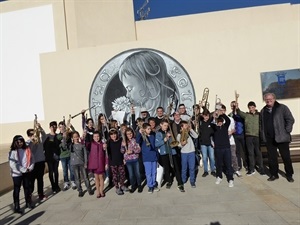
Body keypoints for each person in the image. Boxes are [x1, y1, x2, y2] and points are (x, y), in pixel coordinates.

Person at [119, 50, 176, 117]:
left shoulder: (173, 106)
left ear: (149, 82)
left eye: (129, 88)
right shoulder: (133, 114)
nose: (127, 95)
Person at [260, 93, 295, 182]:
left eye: (270, 99)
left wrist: (287, 131)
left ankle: (289, 174)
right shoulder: (263, 111)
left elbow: (290, 119)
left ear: (274, 99)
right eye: (266, 99)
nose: (268, 101)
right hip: (269, 138)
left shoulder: (282, 108)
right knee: (272, 158)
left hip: (282, 137)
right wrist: (263, 134)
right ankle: (274, 174)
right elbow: (261, 124)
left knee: (286, 157)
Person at [236, 101, 265, 176]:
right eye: (249, 108)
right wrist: (237, 107)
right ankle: (251, 169)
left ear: (255, 107)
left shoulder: (259, 115)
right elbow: (239, 112)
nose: (251, 109)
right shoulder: (246, 115)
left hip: (257, 136)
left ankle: (261, 168)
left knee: (258, 153)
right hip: (248, 136)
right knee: (250, 153)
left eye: (252, 107)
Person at [155, 119, 185, 192]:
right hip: (164, 153)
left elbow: (173, 142)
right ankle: (169, 181)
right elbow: (156, 144)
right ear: (161, 125)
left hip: (172, 152)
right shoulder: (158, 133)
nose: (166, 127)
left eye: (167, 126)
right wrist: (164, 140)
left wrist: (171, 139)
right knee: (167, 168)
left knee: (176, 167)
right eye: (165, 125)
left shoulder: (169, 132)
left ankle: (180, 182)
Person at [9, 135, 35, 213]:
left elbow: (32, 159)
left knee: (27, 187)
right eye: (18, 142)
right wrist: (22, 170)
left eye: (21, 142)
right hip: (17, 174)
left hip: (27, 172)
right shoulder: (12, 152)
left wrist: (30, 167)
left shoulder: (27, 149)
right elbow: (13, 164)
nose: (20, 143)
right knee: (17, 189)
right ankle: (17, 206)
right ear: (15, 143)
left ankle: (28, 202)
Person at [65, 131, 94, 197]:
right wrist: (64, 135)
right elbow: (64, 145)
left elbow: (85, 155)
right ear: (72, 138)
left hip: (82, 163)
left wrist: (86, 163)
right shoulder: (71, 146)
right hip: (74, 164)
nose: (76, 138)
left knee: (86, 177)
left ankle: (89, 189)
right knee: (77, 178)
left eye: (77, 136)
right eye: (74, 137)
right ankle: (80, 190)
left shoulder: (82, 145)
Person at [211, 109, 234, 188]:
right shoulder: (214, 128)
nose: (220, 122)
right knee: (218, 164)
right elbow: (210, 123)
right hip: (218, 148)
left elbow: (228, 120)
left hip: (226, 148)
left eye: (221, 121)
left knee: (228, 164)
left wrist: (222, 114)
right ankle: (219, 176)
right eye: (218, 121)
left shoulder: (225, 126)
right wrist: (213, 116)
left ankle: (230, 179)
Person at [136, 123, 159, 193]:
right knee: (148, 173)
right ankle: (150, 185)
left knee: (154, 172)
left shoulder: (152, 135)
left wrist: (157, 156)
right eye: (148, 129)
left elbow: (155, 146)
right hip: (146, 157)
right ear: (144, 129)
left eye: (150, 129)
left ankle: (154, 184)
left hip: (153, 156)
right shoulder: (143, 137)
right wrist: (140, 133)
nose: (149, 130)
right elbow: (137, 140)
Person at [26, 126, 47, 201]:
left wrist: (40, 128)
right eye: (32, 134)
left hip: (41, 162)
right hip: (33, 164)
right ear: (29, 136)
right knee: (31, 181)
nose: (34, 135)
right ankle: (29, 194)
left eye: (34, 134)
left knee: (40, 179)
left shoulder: (40, 140)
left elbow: (44, 135)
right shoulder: (28, 143)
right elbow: (27, 150)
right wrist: (32, 141)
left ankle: (41, 194)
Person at [107, 128, 128, 195]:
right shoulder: (109, 142)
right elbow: (107, 152)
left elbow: (122, 151)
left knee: (122, 174)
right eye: (112, 135)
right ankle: (117, 187)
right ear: (110, 136)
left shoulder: (120, 140)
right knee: (115, 176)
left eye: (115, 134)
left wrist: (123, 146)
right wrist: (104, 147)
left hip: (120, 160)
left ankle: (122, 185)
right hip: (113, 161)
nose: (114, 136)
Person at [177, 120, 198, 188]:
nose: (187, 126)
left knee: (192, 167)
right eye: (185, 125)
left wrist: (191, 129)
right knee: (184, 168)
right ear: (181, 127)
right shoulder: (179, 135)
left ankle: (192, 181)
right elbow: (178, 144)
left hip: (191, 151)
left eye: (187, 125)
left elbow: (196, 136)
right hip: (184, 153)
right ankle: (183, 180)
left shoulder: (189, 133)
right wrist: (181, 144)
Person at [121, 127, 142, 193]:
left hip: (135, 159)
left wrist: (133, 151)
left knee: (137, 173)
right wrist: (122, 146)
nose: (129, 135)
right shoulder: (124, 141)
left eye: (130, 133)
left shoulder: (135, 140)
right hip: (128, 160)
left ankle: (139, 185)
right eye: (128, 134)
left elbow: (139, 149)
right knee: (131, 174)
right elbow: (122, 151)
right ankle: (133, 185)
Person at [57, 121, 76, 191]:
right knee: (65, 170)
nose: (62, 128)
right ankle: (66, 182)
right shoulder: (58, 136)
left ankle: (73, 181)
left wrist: (71, 126)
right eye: (60, 127)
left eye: (63, 126)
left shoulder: (69, 133)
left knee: (71, 169)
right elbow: (62, 145)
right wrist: (64, 137)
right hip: (62, 155)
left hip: (70, 154)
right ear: (59, 128)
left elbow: (75, 134)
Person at [87, 131, 107, 198]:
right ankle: (97, 191)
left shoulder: (103, 144)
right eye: (95, 136)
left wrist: (106, 163)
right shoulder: (91, 144)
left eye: (98, 136)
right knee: (96, 178)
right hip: (94, 164)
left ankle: (101, 190)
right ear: (93, 137)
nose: (96, 138)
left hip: (101, 163)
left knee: (101, 177)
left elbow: (106, 155)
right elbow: (85, 144)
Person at [229, 101, 248, 171]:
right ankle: (239, 165)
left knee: (245, 150)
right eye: (232, 106)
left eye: (234, 106)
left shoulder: (241, 114)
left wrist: (237, 109)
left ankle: (247, 165)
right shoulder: (230, 115)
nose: (233, 107)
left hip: (242, 134)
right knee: (237, 151)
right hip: (235, 135)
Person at [43, 121, 61, 193]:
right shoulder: (46, 136)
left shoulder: (58, 136)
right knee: (51, 172)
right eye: (52, 126)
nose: (53, 128)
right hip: (49, 157)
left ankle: (56, 185)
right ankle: (53, 186)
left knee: (56, 171)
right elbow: (43, 146)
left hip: (56, 157)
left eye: (55, 126)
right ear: (49, 127)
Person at [199, 109, 216, 177]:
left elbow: (213, 115)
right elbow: (198, 117)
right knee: (204, 158)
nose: (206, 117)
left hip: (210, 143)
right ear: (203, 116)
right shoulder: (201, 122)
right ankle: (205, 170)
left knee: (212, 157)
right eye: (205, 116)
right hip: (203, 143)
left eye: (207, 116)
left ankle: (213, 170)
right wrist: (202, 106)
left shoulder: (211, 122)